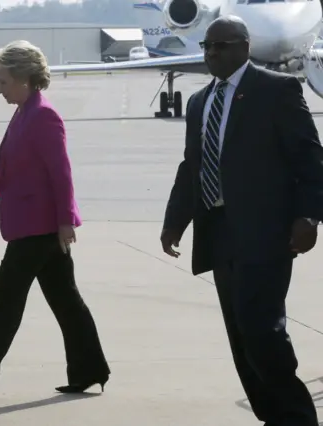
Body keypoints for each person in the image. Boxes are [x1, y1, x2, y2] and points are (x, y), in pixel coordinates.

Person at [161, 15, 323, 426]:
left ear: (244, 46)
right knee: (240, 336)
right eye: (206, 47)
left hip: (266, 233)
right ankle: (272, 415)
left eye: (221, 45)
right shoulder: (200, 102)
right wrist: (174, 221)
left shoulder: (276, 89)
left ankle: (298, 417)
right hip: (219, 232)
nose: (212, 53)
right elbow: (192, 167)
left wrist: (309, 215)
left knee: (262, 331)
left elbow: (310, 158)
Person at [0, 40, 110, 397]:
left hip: (41, 228)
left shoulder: (43, 115)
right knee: (66, 301)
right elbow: (5, 172)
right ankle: (90, 370)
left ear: (23, 78)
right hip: (33, 227)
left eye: (2, 81)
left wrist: (66, 221)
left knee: (4, 298)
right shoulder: (23, 113)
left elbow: (60, 172)